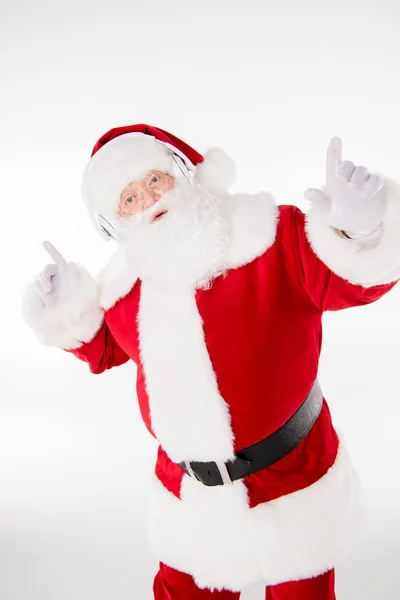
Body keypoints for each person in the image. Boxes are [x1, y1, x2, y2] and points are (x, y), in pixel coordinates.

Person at [22, 124, 400, 599]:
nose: (148, 201)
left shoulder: (272, 234)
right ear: (117, 222)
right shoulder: (122, 289)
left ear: (185, 174)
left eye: (154, 181)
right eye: (129, 199)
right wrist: (64, 309)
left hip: (293, 477)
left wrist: (364, 231)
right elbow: (104, 350)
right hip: (190, 496)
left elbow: (351, 282)